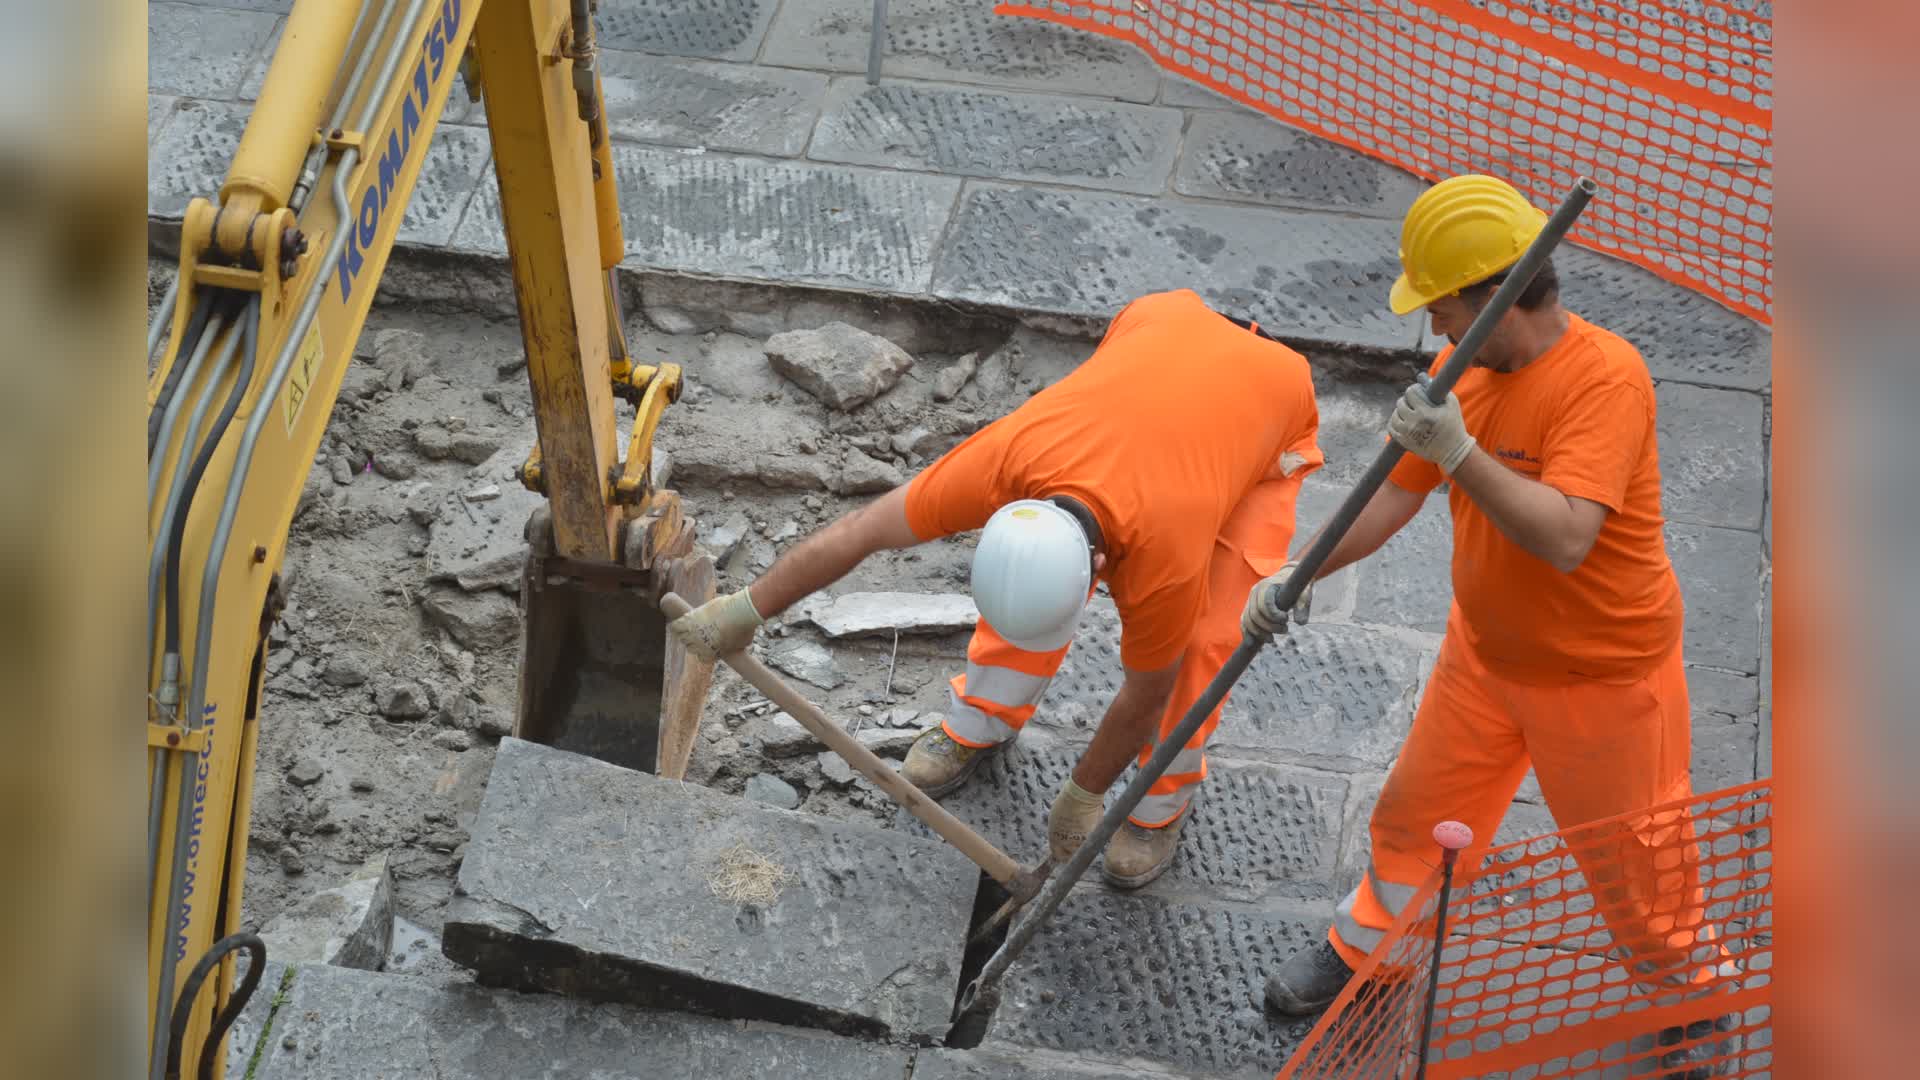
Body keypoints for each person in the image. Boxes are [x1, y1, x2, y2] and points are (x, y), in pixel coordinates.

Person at [1254, 175, 1730, 1054]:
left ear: (1495, 296)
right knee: (1410, 817)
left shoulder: (1605, 381)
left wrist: (1461, 452)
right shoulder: (1459, 369)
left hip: (1604, 679)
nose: (1431, 325)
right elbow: (1390, 497)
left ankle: (1691, 1001)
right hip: (1484, 658)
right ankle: (1372, 954)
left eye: (1439, 304)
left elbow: (1565, 538)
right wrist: (1297, 571)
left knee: (1639, 867)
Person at [670, 288, 1323, 888]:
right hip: (1159, 321)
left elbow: (1146, 695)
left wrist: (1083, 794)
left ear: (1100, 566)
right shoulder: (1002, 461)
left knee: (1203, 645)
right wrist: (746, 608)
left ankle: (1159, 804)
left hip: (1271, 405)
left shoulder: (1167, 555)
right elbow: (858, 532)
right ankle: (978, 724)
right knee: (1024, 602)